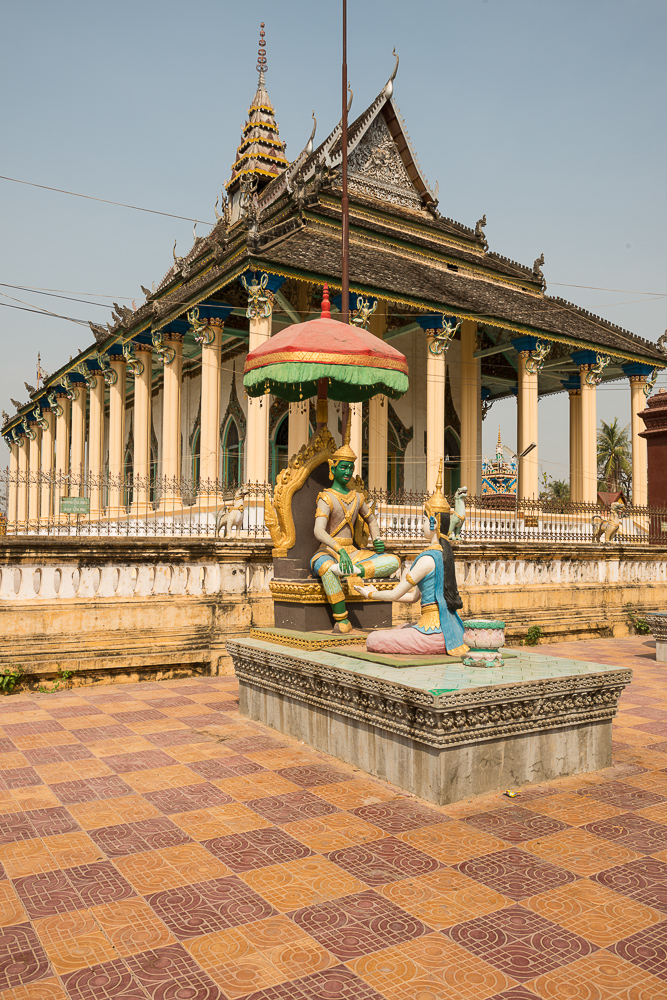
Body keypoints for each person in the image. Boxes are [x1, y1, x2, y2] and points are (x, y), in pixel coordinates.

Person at [355, 462, 468, 655]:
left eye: (424, 520)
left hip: (433, 633)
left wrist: (370, 594)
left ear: (433, 523)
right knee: (400, 628)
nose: (421, 524)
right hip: (449, 630)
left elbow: (394, 595)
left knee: (373, 639)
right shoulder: (442, 554)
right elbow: (414, 597)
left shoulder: (427, 560)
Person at [310, 419, 400, 634]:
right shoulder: (326, 497)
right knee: (326, 569)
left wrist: (377, 539)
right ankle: (341, 619)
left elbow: (371, 519)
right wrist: (339, 550)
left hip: (353, 554)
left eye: (351, 467)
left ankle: (355, 572)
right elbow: (318, 530)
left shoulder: (357, 498)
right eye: (344, 467)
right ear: (334, 468)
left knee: (394, 560)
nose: (348, 471)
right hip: (328, 552)